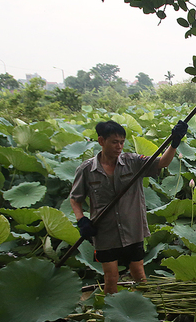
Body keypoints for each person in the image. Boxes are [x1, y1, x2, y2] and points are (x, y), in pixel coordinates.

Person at [69, 120, 188, 294]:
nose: (119, 147)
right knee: (111, 277)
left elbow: (162, 163)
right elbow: (75, 198)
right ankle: (111, 312)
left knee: (139, 273)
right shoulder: (87, 169)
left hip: (132, 228)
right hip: (105, 231)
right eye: (114, 142)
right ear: (101, 141)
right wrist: (81, 220)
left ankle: (146, 305)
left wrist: (174, 143)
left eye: (122, 142)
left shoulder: (133, 161)